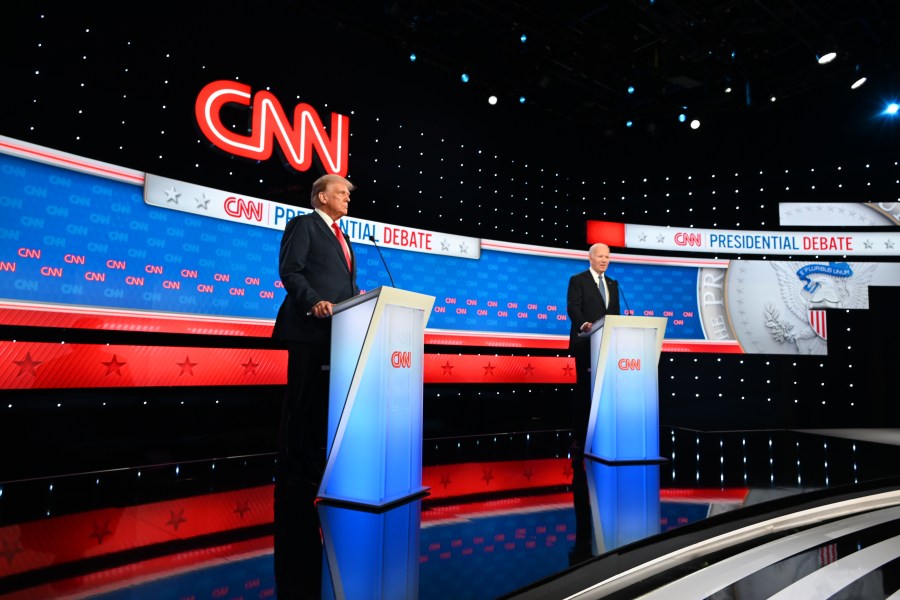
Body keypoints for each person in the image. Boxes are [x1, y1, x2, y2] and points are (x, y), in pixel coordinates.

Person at [272, 173, 360, 492]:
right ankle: (292, 471)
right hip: (308, 326)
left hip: (337, 332)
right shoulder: (304, 225)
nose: (348, 197)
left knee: (322, 403)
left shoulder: (343, 237)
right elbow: (290, 271)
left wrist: (362, 299)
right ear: (322, 197)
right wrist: (314, 302)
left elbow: (344, 285)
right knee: (302, 401)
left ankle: (314, 466)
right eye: (341, 193)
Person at [566, 242, 620, 454]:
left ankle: (603, 437)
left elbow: (614, 313)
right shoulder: (578, 280)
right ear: (590, 258)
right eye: (600, 256)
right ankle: (579, 438)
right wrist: (584, 324)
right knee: (584, 391)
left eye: (607, 256)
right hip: (585, 343)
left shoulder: (613, 284)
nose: (604, 260)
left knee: (606, 392)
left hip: (607, 345)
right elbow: (572, 307)